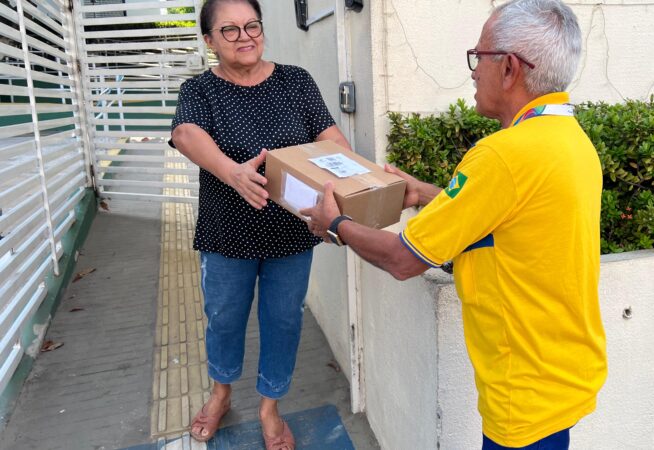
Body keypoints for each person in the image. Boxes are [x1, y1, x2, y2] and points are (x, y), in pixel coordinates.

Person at [301, 0, 607, 448]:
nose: (472, 71)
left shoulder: (502, 155)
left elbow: (402, 259)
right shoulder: (571, 141)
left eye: (478, 57)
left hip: (522, 391)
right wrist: (425, 193)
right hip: (565, 370)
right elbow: (506, 219)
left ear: (509, 69)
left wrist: (335, 224)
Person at [169, 0, 350, 447]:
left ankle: (270, 407)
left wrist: (353, 172)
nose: (245, 36)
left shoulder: (296, 82)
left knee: (283, 320)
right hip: (226, 232)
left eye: (252, 25)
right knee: (224, 318)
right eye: (228, 30)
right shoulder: (200, 90)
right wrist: (232, 172)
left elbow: (331, 138)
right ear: (209, 40)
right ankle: (221, 392)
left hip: (291, 231)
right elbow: (185, 134)